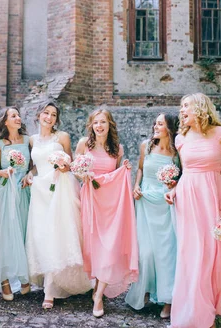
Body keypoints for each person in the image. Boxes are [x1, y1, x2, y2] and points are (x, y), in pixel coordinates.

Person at [165, 93, 221, 328]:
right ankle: (193, 312)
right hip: (188, 198)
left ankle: (208, 310)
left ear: (200, 108)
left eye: (186, 106)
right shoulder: (180, 138)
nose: (181, 110)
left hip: (212, 196)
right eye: (181, 106)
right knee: (191, 254)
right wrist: (173, 190)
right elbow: (185, 172)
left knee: (211, 254)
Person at [25, 101, 92, 309]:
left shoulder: (62, 137)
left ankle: (50, 291)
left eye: (53, 114)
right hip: (39, 190)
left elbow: (70, 164)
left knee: (56, 234)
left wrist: (64, 167)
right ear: (39, 115)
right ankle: (47, 278)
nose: (49, 118)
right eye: (46, 113)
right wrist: (29, 173)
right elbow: (35, 166)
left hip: (59, 187)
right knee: (41, 235)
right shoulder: (32, 139)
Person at [74, 108, 138, 318]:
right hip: (91, 200)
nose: (99, 126)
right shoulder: (84, 144)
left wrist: (125, 168)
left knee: (109, 247)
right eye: (96, 122)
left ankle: (99, 295)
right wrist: (82, 173)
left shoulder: (116, 149)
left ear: (110, 125)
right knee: (94, 247)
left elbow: (117, 176)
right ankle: (95, 285)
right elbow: (75, 169)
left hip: (110, 206)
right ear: (91, 125)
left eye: (103, 122)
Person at [125, 113, 178, 318]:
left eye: (161, 124)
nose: (156, 126)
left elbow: (181, 177)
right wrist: (136, 186)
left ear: (170, 128)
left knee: (166, 253)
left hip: (165, 206)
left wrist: (174, 185)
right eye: (155, 123)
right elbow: (139, 169)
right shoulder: (145, 146)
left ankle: (167, 300)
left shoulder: (176, 152)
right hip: (145, 202)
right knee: (145, 252)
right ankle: (146, 290)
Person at [0, 106, 32, 301]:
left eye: (18, 115)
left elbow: (33, 165)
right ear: (5, 121)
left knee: (24, 232)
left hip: (24, 190)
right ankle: (5, 280)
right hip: (7, 190)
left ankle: (24, 276)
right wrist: (5, 172)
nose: (18, 118)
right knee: (8, 234)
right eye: (13, 115)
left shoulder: (27, 140)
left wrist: (30, 174)